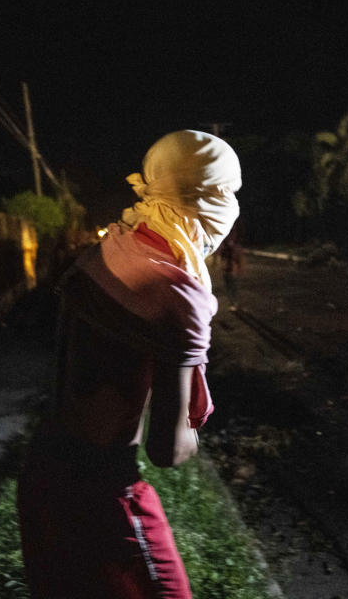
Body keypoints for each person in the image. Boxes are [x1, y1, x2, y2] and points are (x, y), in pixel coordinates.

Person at [18, 130, 241, 598]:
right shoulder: (177, 293)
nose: (232, 208)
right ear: (207, 198)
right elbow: (168, 450)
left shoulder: (111, 245)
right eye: (228, 193)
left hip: (41, 473)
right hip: (102, 493)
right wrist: (192, 429)